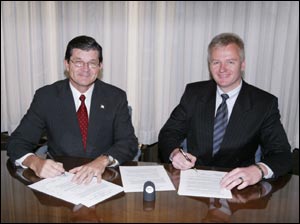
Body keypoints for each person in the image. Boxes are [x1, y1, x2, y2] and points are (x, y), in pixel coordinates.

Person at [158, 33, 292, 190]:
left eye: (230, 62)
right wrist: (175, 153)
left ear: (242, 65)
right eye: (216, 62)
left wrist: (259, 170)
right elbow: (168, 133)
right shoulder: (194, 93)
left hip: (239, 189)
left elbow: (282, 154)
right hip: (194, 185)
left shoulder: (264, 103)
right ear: (209, 65)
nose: (222, 69)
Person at [6, 35, 138, 184]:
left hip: (103, 178)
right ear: (67, 64)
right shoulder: (46, 97)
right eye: (78, 62)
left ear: (100, 66)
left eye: (92, 63)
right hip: (59, 178)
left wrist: (104, 160)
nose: (85, 69)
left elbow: (128, 142)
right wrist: (35, 162)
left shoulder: (116, 97)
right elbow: (17, 142)